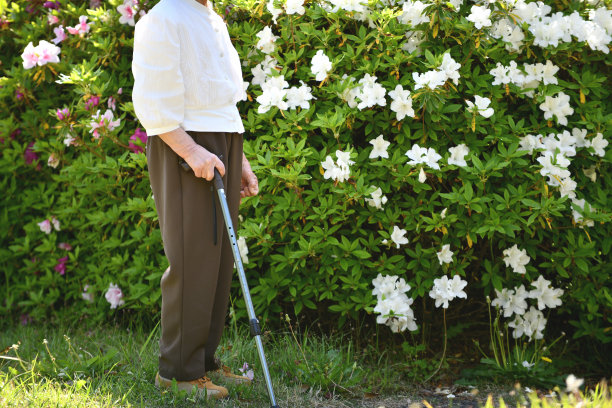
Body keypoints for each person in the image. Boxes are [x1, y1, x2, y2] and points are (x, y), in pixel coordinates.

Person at [131, 0, 259, 400]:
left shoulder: (211, 16)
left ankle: (202, 362)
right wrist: (191, 151)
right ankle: (177, 373)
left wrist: (240, 159)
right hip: (185, 146)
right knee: (192, 259)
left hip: (220, 142)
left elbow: (218, 98)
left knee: (218, 259)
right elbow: (155, 103)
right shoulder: (163, 18)